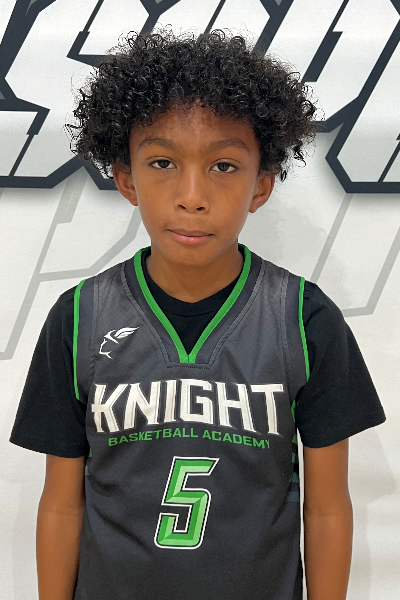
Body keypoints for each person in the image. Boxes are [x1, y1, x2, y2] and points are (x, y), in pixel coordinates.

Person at [9, 28, 386, 600]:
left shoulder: (305, 321)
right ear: (126, 178)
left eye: (224, 166)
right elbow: (62, 503)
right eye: (162, 162)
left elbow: (328, 506)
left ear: (261, 185)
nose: (191, 195)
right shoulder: (79, 317)